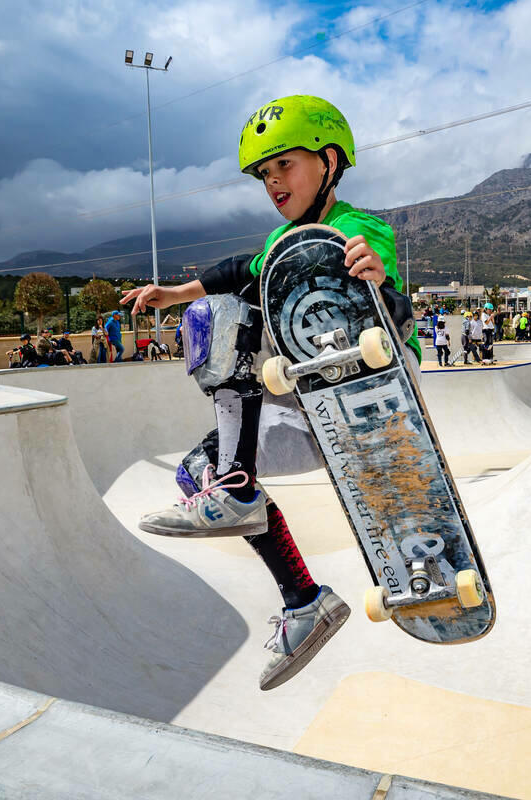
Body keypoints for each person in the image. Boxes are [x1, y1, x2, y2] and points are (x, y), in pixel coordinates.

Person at [119, 95, 419, 691]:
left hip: (372, 386)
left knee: (225, 316)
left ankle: (234, 485)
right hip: (309, 413)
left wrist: (374, 273)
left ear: (330, 161)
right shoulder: (283, 244)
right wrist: (174, 294)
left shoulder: (358, 229)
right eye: (264, 174)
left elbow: (380, 274)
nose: (272, 181)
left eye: (285, 165)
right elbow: (238, 269)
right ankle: (304, 602)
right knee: (194, 472)